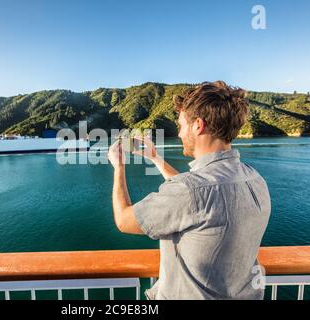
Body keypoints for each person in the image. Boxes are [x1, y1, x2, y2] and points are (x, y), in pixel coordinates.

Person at [108, 81, 271, 300]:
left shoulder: (190, 190)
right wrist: (155, 158)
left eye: (181, 125)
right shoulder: (254, 178)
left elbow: (124, 220)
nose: (179, 132)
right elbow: (198, 199)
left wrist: (119, 167)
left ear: (198, 126)